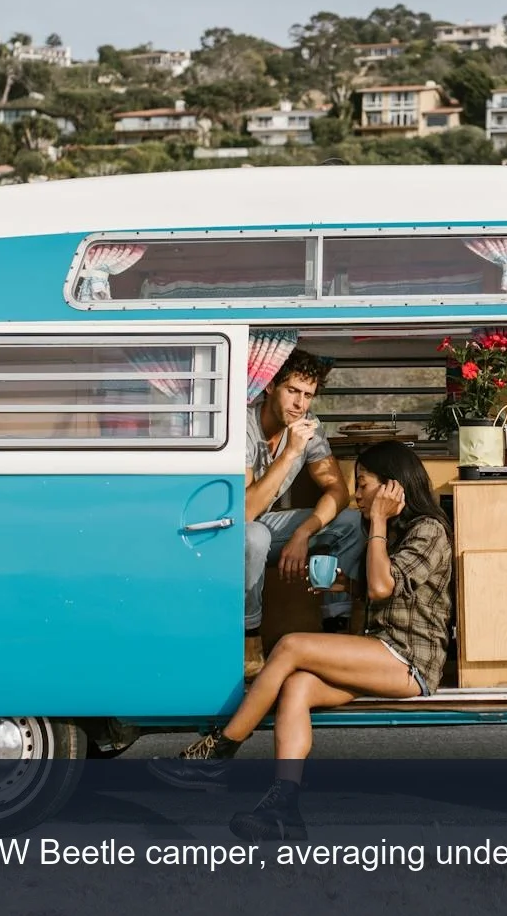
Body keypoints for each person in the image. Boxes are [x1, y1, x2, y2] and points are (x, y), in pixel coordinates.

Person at [151, 440, 454, 839]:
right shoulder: (394, 531)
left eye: (363, 485)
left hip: (409, 661)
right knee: (296, 686)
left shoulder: (427, 529)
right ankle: (284, 808)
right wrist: (346, 584)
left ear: (391, 488)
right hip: (380, 653)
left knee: (291, 645)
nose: (357, 494)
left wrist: (378, 524)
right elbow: (385, 586)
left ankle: (217, 752)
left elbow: (383, 587)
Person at [242, 350, 364, 676]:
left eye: (307, 395)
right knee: (253, 535)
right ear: (270, 387)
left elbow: (338, 491)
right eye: (292, 391)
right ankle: (249, 637)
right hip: (225, 531)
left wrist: (303, 532)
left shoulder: (309, 427)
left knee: (352, 521)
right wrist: (292, 451)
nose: (300, 404)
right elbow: (245, 511)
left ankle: (334, 627)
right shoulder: (244, 425)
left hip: (269, 528)